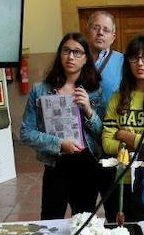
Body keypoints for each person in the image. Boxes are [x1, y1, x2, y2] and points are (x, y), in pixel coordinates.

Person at [20, 32, 105, 219]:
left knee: (83, 224)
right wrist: (59, 143)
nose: (71, 56)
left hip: (86, 165)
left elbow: (103, 134)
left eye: (77, 52)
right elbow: (26, 132)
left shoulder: (95, 91)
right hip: (55, 164)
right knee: (50, 221)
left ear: (85, 59)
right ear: (60, 55)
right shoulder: (41, 89)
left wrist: (89, 111)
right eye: (66, 51)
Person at [100, 35, 144, 223]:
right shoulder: (118, 98)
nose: (140, 63)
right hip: (121, 179)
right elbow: (107, 143)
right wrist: (139, 144)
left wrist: (124, 134)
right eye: (134, 58)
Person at [87, 10, 123, 104]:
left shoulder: (123, 61)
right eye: (95, 28)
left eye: (106, 30)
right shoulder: (74, 59)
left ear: (113, 37)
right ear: (87, 30)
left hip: (113, 117)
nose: (100, 33)